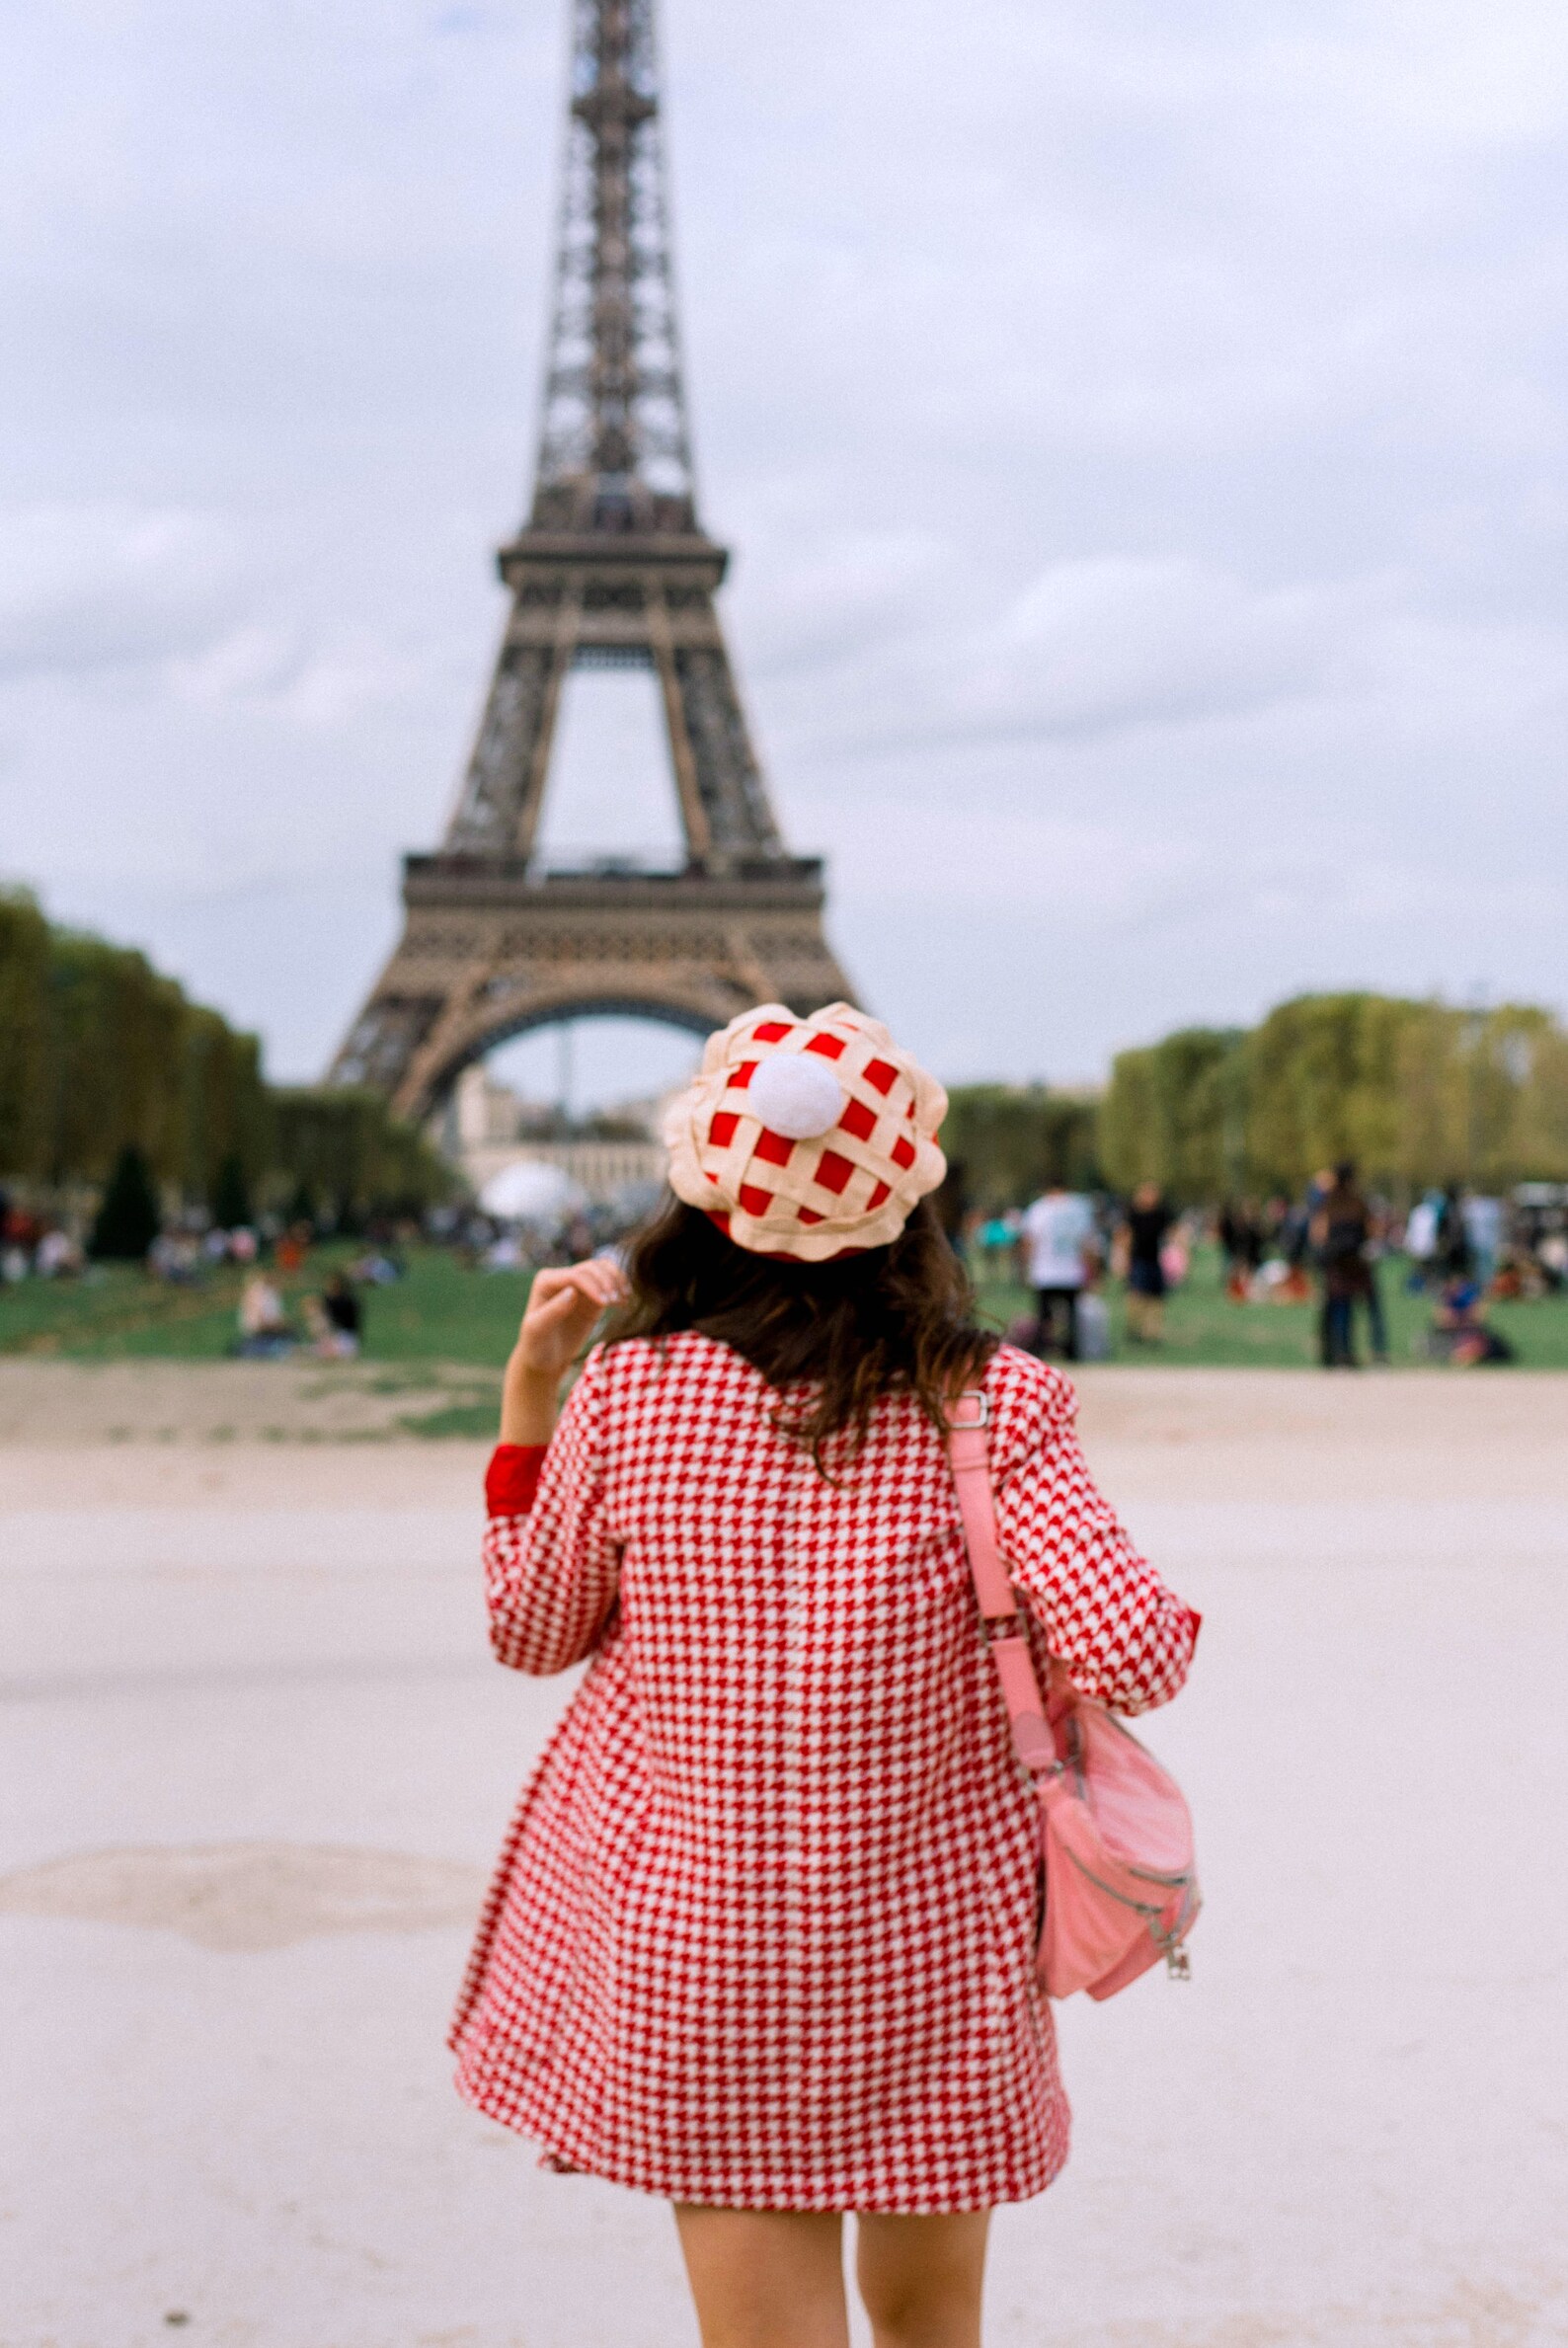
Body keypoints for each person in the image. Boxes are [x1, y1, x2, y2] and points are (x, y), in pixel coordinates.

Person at [452, 1002, 1199, 2348]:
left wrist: (527, 1403)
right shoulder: (995, 1401)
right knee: (930, 2328)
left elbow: (530, 1630)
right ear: (908, 1199)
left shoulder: (625, 1397)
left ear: (703, 1194)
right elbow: (1134, 1650)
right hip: (933, 1954)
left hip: (700, 1949)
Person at [1016, 1177, 1094, 1361]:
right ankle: (1072, 1350)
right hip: (1071, 1270)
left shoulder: (1039, 1208)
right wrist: (1090, 1269)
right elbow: (1086, 1242)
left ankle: (1042, 1348)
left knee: (1044, 1315)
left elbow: (1030, 1241)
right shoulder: (1078, 1208)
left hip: (1046, 1270)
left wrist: (1025, 1266)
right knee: (1071, 1315)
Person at [1310, 1162, 1372, 1368]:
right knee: (1355, 1308)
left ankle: (1337, 1353)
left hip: (1335, 1264)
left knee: (1337, 1309)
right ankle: (1359, 1353)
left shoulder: (1328, 1203)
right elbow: (1370, 1230)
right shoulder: (1358, 1202)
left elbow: (1319, 1234)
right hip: (1354, 1262)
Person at [1121, 1182, 1174, 1343]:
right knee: (1137, 1296)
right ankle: (1134, 1329)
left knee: (1156, 1298)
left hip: (1154, 1260)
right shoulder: (1134, 1214)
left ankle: (1152, 1332)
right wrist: (1124, 1258)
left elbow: (1173, 1232)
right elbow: (1125, 1236)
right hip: (1138, 1259)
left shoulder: (1161, 1214)